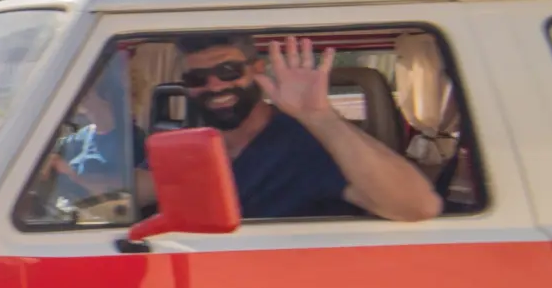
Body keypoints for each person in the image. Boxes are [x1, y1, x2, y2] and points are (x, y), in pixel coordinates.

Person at [175, 34, 441, 222]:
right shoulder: (189, 147)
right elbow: (141, 188)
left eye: (228, 71)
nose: (215, 86)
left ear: (257, 69)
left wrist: (320, 117)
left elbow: (418, 207)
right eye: (197, 78)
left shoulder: (309, 143)